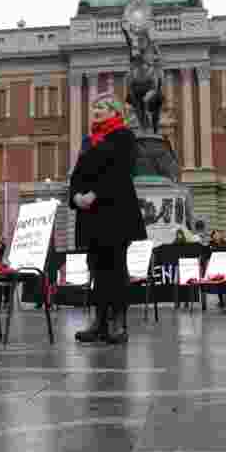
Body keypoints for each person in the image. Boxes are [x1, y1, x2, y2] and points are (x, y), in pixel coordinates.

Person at [69, 94, 146, 344]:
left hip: (115, 213)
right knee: (97, 268)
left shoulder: (124, 136)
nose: (96, 110)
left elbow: (122, 171)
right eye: (94, 107)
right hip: (91, 216)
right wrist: (76, 196)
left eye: (102, 107)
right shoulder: (88, 140)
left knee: (115, 268)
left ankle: (118, 322)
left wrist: (96, 193)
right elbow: (77, 173)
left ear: (114, 112)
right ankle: (99, 321)